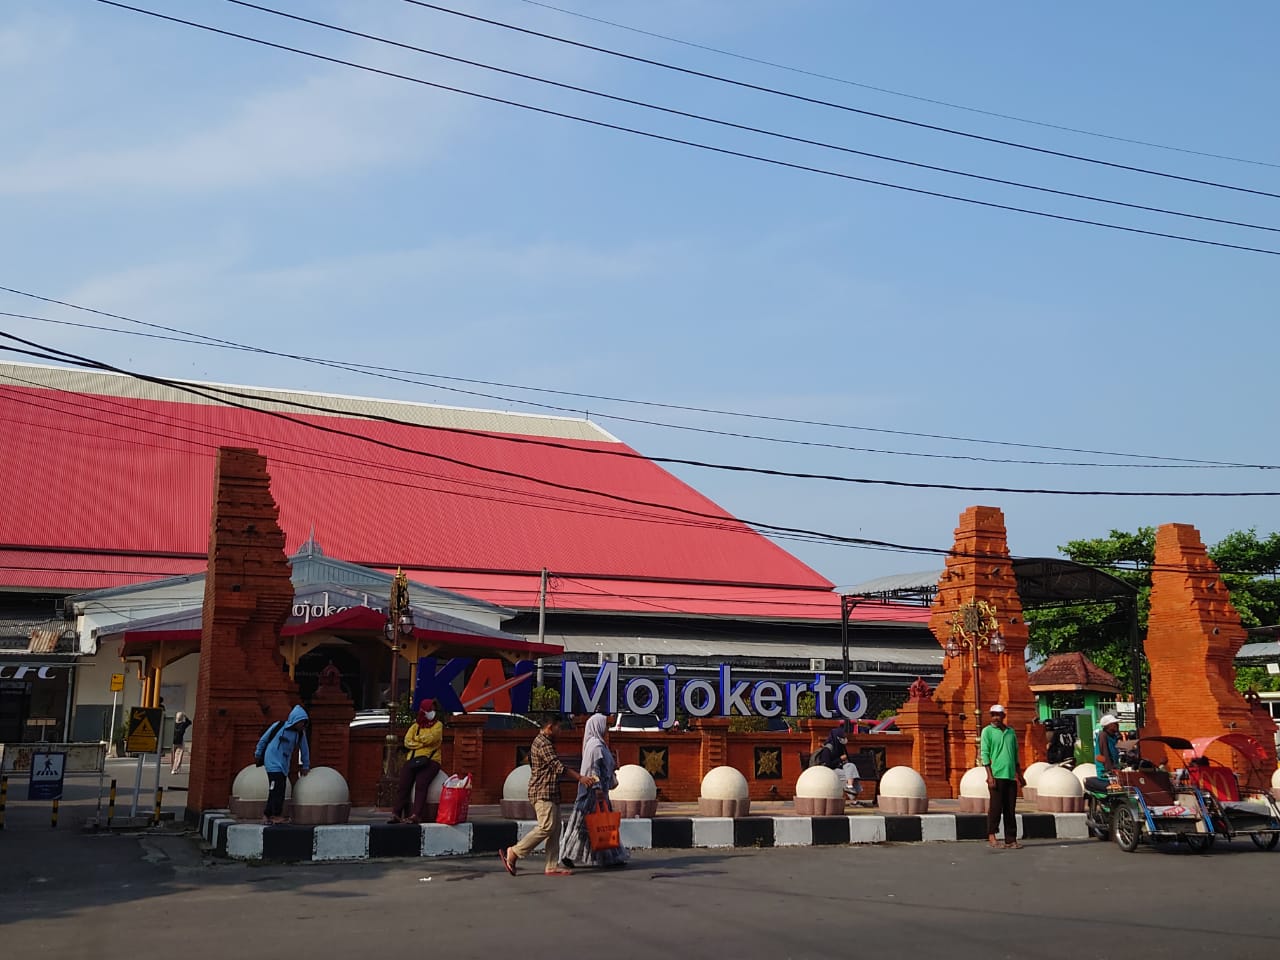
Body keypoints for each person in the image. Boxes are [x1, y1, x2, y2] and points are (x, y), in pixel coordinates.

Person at [500, 716, 594, 877]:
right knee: (547, 827)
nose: (561, 731)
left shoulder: (546, 742)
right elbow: (558, 767)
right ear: (550, 727)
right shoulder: (543, 743)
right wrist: (580, 778)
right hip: (542, 791)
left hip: (550, 791)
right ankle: (514, 852)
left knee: (555, 829)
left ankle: (551, 865)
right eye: (559, 728)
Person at [560, 713, 630, 869]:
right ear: (597, 726)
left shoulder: (600, 744)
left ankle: (610, 856)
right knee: (586, 826)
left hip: (599, 793)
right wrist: (597, 789)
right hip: (592, 794)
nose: (606, 728)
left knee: (600, 825)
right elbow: (593, 769)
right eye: (604, 725)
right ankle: (567, 855)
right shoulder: (595, 746)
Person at [255, 705, 310, 825]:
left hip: (284, 765)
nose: (302, 725)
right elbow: (264, 739)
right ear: (295, 720)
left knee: (277, 789)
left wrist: (305, 765)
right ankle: (275, 815)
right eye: (301, 722)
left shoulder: (300, 734)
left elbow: (304, 749)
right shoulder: (279, 726)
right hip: (272, 762)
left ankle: (267, 815)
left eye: (304, 722)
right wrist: (258, 753)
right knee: (277, 789)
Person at [391, 700, 443, 824]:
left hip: (431, 761)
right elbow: (407, 741)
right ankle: (396, 814)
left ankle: (416, 815)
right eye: (429, 710)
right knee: (403, 785)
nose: (432, 713)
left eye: (433, 710)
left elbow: (432, 739)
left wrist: (417, 740)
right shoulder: (415, 726)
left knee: (421, 784)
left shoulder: (438, 725)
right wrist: (421, 742)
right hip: (413, 760)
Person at [980, 704, 1024, 850]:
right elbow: (985, 753)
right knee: (995, 808)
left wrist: (1020, 775)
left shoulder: (1011, 732)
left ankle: (1010, 839)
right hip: (996, 775)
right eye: (993, 715)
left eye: (998, 715)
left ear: (1003, 716)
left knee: (1010, 810)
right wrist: (989, 776)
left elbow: (1016, 754)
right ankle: (992, 835)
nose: (996, 718)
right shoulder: (987, 731)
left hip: (1010, 776)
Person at [811, 725, 864, 803]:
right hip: (829, 771)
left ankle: (849, 786)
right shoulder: (828, 749)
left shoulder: (840, 747)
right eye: (842, 736)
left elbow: (847, 760)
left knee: (851, 767)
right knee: (847, 775)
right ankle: (854, 799)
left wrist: (844, 762)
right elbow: (827, 764)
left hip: (839, 768)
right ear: (837, 737)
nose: (844, 738)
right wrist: (840, 759)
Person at [1084, 714, 1122, 793]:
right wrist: (1111, 770)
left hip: (1114, 769)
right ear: (1108, 726)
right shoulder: (1103, 735)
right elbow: (1105, 754)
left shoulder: (1113, 736)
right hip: (1105, 772)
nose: (1117, 725)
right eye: (1114, 724)